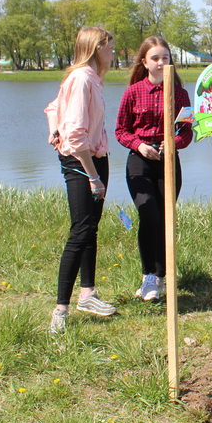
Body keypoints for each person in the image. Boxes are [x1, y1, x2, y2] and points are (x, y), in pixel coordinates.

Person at [44, 27, 118, 334]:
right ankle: (60, 309)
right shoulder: (81, 78)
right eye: (110, 49)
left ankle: (87, 294)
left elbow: (52, 108)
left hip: (96, 158)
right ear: (96, 48)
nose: (113, 54)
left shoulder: (90, 78)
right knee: (80, 231)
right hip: (81, 162)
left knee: (90, 228)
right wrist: (92, 176)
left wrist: (52, 128)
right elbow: (74, 136)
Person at [115, 36, 193, 301]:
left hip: (169, 160)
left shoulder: (180, 93)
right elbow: (121, 130)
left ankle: (161, 276)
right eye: (155, 58)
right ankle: (149, 275)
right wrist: (138, 145)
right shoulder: (133, 92)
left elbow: (187, 131)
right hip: (139, 160)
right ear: (144, 62)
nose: (161, 63)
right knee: (148, 214)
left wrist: (171, 144)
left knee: (164, 217)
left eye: (166, 58)